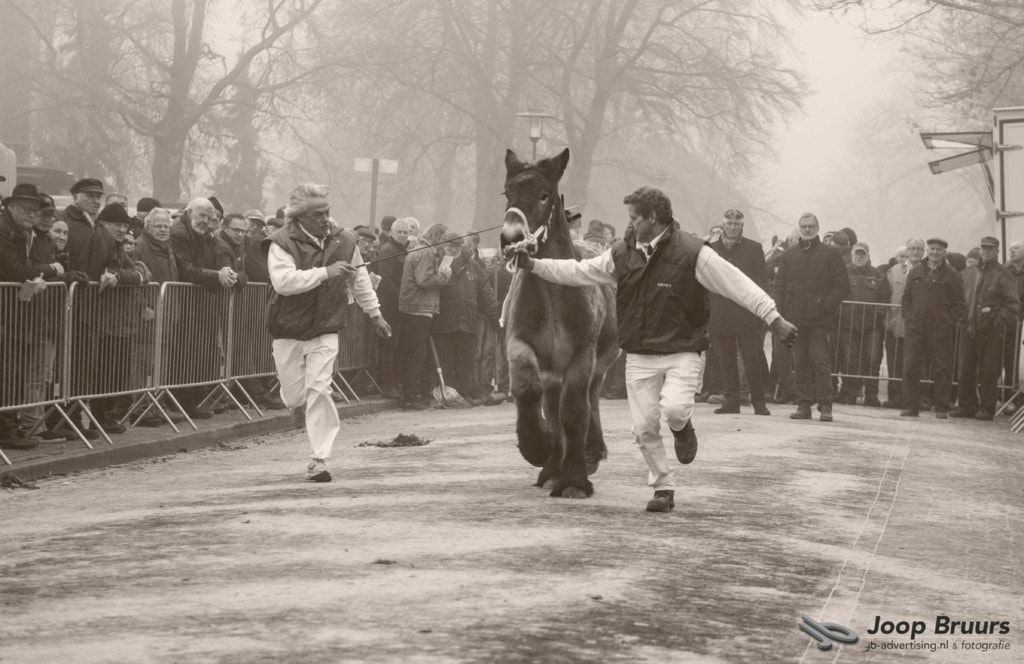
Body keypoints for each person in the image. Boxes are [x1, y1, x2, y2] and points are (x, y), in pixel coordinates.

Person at [510, 186, 797, 513]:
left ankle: (682, 427)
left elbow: (737, 283)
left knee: (674, 410)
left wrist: (773, 317)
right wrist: (533, 265)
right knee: (644, 428)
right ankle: (663, 487)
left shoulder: (693, 252)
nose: (629, 224)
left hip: (682, 350)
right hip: (641, 353)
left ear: (653, 218)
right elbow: (578, 272)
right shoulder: (621, 253)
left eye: (634, 218)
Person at [263, 183, 391, 482]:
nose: (325, 219)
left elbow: (359, 280)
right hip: (289, 329)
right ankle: (294, 403)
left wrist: (375, 314)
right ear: (299, 218)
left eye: (327, 212)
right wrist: (326, 272)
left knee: (320, 389)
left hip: (326, 327)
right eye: (318, 214)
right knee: (296, 395)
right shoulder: (280, 242)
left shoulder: (346, 240)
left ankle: (319, 459)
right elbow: (283, 282)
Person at [772, 213, 849, 422]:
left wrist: (825, 306)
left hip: (819, 320)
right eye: (804, 226)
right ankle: (803, 404)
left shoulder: (830, 253)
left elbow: (842, 285)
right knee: (800, 362)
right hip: (794, 319)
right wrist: (780, 311)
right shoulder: (789, 255)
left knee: (820, 361)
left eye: (811, 226)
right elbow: (779, 285)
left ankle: (825, 406)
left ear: (818, 227)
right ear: (799, 228)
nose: (807, 230)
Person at [707, 209, 771, 415]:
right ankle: (731, 401)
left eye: (736, 224)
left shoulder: (753, 249)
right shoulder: (711, 249)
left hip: (746, 313)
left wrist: (761, 311)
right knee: (725, 360)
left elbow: (762, 282)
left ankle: (759, 402)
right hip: (720, 312)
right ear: (723, 224)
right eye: (729, 223)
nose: (732, 227)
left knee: (752, 359)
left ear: (742, 226)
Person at [952, 236, 1019, 420]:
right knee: (965, 369)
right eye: (984, 248)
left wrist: (996, 321)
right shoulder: (969, 272)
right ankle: (966, 406)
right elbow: (958, 297)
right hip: (968, 327)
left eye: (990, 248)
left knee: (989, 371)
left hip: (990, 331)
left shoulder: (1004, 274)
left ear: (997, 250)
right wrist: (959, 316)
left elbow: (1012, 305)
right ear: (979, 249)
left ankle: (987, 408)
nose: (986, 251)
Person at [899, 238, 964, 418]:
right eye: (932, 249)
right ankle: (910, 406)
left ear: (944, 252)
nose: (935, 252)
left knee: (941, 368)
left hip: (940, 330)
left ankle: (941, 406)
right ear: (928, 250)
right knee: (910, 367)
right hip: (916, 328)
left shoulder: (952, 275)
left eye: (939, 250)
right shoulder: (916, 271)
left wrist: (948, 322)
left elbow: (959, 304)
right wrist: (909, 316)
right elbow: (906, 298)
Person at [434, 232, 500, 404]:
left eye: (456, 245)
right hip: (442, 322)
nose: (451, 248)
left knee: (466, 361)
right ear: (443, 245)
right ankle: (447, 393)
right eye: (448, 244)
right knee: (445, 360)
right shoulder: (436, 263)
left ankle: (463, 394)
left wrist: (497, 318)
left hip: (467, 322)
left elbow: (487, 294)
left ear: (461, 246)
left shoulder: (473, 268)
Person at [395, 223, 451, 410]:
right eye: (444, 240)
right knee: (416, 354)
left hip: (413, 307)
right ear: (438, 238)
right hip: (420, 308)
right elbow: (424, 280)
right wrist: (444, 276)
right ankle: (411, 396)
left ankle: (408, 393)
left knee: (411, 352)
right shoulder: (427, 253)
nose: (445, 245)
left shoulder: (417, 250)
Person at [835, 243, 890, 407]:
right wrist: (843, 315)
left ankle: (872, 395)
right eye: (857, 254)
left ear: (868, 255)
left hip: (871, 327)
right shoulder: (842, 272)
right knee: (849, 360)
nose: (859, 257)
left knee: (872, 360)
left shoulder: (878, 275)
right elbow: (836, 294)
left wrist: (875, 316)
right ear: (852, 255)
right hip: (848, 325)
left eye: (862, 254)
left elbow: (885, 299)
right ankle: (850, 393)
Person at [374, 217, 412, 398]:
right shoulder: (388, 250)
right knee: (389, 345)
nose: (403, 235)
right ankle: (388, 385)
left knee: (400, 345)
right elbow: (386, 280)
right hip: (390, 306)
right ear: (391, 233)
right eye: (400, 232)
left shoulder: (404, 251)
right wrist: (402, 297)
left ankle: (396, 382)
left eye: (406, 232)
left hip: (401, 306)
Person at [62, 178, 105, 273]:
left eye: (98, 197)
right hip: (69, 285)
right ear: (75, 197)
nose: (96, 201)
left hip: (94, 287)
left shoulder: (101, 227)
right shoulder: (63, 221)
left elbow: (113, 259)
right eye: (90, 196)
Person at [1001, 241, 1024, 402]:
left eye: (1015, 248)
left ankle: (1013, 398)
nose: (1011, 251)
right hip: (1005, 321)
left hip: (1020, 322)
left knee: (1014, 361)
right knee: (1001, 358)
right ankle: (1002, 395)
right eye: (1010, 249)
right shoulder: (1004, 270)